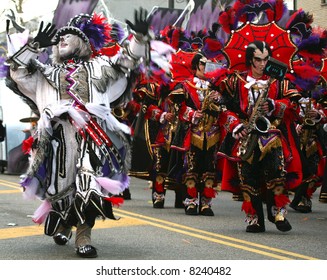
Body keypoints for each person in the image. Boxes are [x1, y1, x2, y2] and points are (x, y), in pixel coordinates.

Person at [6, 8, 167, 258]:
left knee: (88, 182)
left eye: (67, 37)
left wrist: (139, 38)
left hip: (91, 135)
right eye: (59, 39)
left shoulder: (99, 67)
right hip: (58, 138)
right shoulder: (47, 74)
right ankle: (61, 220)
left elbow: (126, 62)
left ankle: (84, 235)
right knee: (59, 186)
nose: (61, 41)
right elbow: (17, 72)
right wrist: (34, 46)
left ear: (81, 43)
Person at [217, 41, 302, 233]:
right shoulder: (234, 81)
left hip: (271, 134)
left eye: (265, 59)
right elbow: (221, 106)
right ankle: (254, 218)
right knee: (248, 178)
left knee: (276, 172)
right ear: (250, 60)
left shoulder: (278, 81)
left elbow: (294, 104)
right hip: (245, 135)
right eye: (258, 60)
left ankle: (278, 213)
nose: (262, 64)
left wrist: (274, 105)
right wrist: (235, 124)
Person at [172, 52, 224, 216]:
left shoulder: (216, 86)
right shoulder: (186, 85)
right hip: (193, 132)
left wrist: (219, 99)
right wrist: (193, 114)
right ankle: (191, 201)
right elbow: (177, 108)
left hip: (212, 133)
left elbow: (228, 106)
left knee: (210, 168)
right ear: (196, 66)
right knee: (192, 167)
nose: (206, 67)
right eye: (203, 64)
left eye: (208, 65)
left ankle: (206, 203)